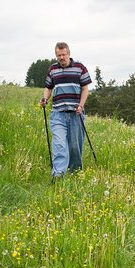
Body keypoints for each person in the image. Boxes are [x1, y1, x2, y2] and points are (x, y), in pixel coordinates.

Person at [40, 42, 92, 177]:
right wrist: (45, 98)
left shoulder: (80, 68)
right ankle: (58, 174)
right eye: (59, 55)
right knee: (59, 144)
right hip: (58, 113)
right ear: (56, 55)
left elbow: (85, 88)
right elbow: (48, 87)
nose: (61, 57)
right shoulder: (52, 69)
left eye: (63, 55)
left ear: (69, 54)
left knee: (75, 146)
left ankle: (75, 172)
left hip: (76, 113)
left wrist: (81, 105)